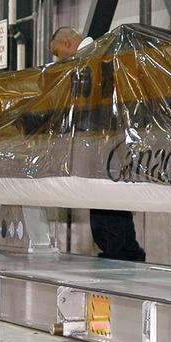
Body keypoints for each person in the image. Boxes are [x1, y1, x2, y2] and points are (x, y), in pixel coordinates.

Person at [48, 27, 146, 262]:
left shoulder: (95, 59)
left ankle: (121, 254)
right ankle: (119, 252)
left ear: (67, 43)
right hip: (103, 143)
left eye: (57, 52)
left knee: (107, 201)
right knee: (103, 201)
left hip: (106, 143)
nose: (57, 59)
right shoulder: (98, 56)